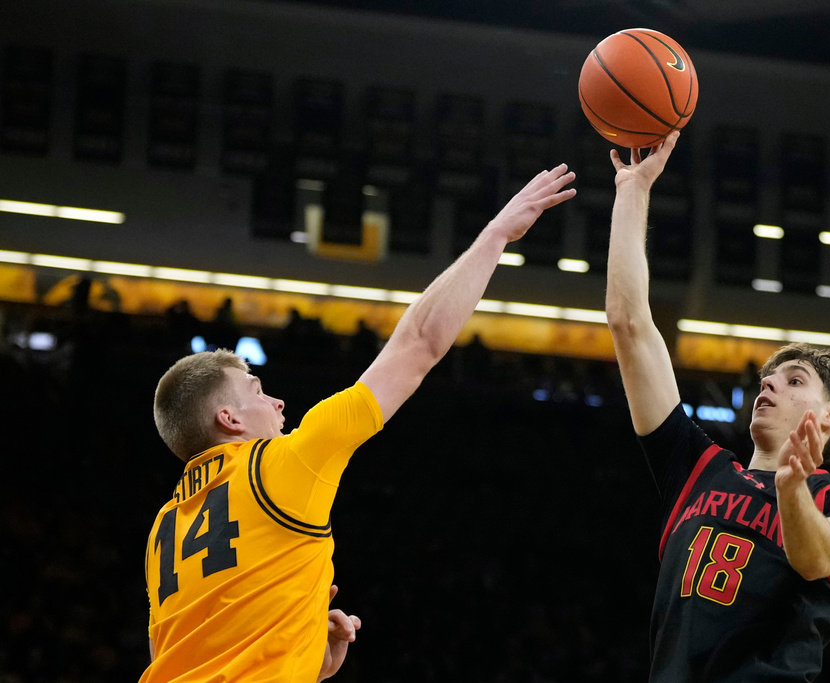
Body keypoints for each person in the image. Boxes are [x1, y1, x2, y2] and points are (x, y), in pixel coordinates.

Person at [140, 164, 577, 682]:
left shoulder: (164, 528)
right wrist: (497, 233)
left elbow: (172, 655)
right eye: (258, 390)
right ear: (228, 418)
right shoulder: (282, 464)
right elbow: (419, 344)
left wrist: (304, 660)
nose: (279, 403)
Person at [604, 133, 830, 682]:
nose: (769, 385)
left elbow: (818, 558)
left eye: (794, 379)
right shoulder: (699, 468)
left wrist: (790, 490)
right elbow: (629, 323)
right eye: (767, 377)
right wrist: (634, 191)